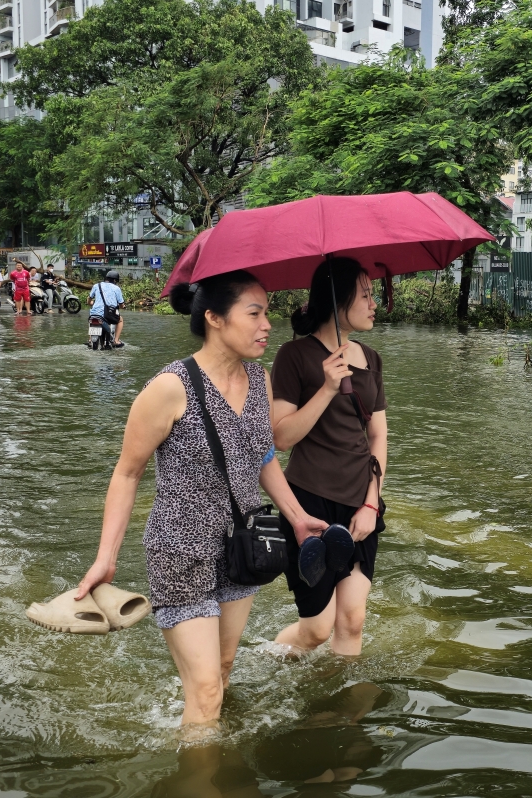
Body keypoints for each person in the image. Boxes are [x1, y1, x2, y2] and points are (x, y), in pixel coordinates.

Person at [75, 270, 326, 735]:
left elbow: (262, 454)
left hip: (242, 548)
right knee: (209, 689)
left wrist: (296, 517)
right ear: (213, 317)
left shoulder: (260, 378)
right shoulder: (171, 387)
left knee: (224, 666)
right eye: (254, 313)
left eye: (266, 313)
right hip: (181, 552)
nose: (266, 324)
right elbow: (127, 473)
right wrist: (105, 560)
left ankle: (198, 734)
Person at [270, 258, 387, 657]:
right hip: (310, 502)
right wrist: (326, 388)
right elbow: (281, 437)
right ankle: (264, 657)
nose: (374, 304)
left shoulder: (371, 359)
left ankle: (343, 715)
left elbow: (378, 435)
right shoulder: (295, 356)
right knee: (317, 630)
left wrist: (372, 503)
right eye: (366, 295)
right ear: (338, 300)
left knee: (352, 620)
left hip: (361, 501)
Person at [89, 270, 125, 347]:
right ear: (115, 280)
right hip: (108, 315)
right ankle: (116, 340)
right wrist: (123, 306)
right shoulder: (116, 288)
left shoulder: (96, 285)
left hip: (94, 314)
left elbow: (89, 299)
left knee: (92, 319)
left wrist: (91, 303)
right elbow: (121, 305)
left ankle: (90, 340)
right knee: (120, 320)